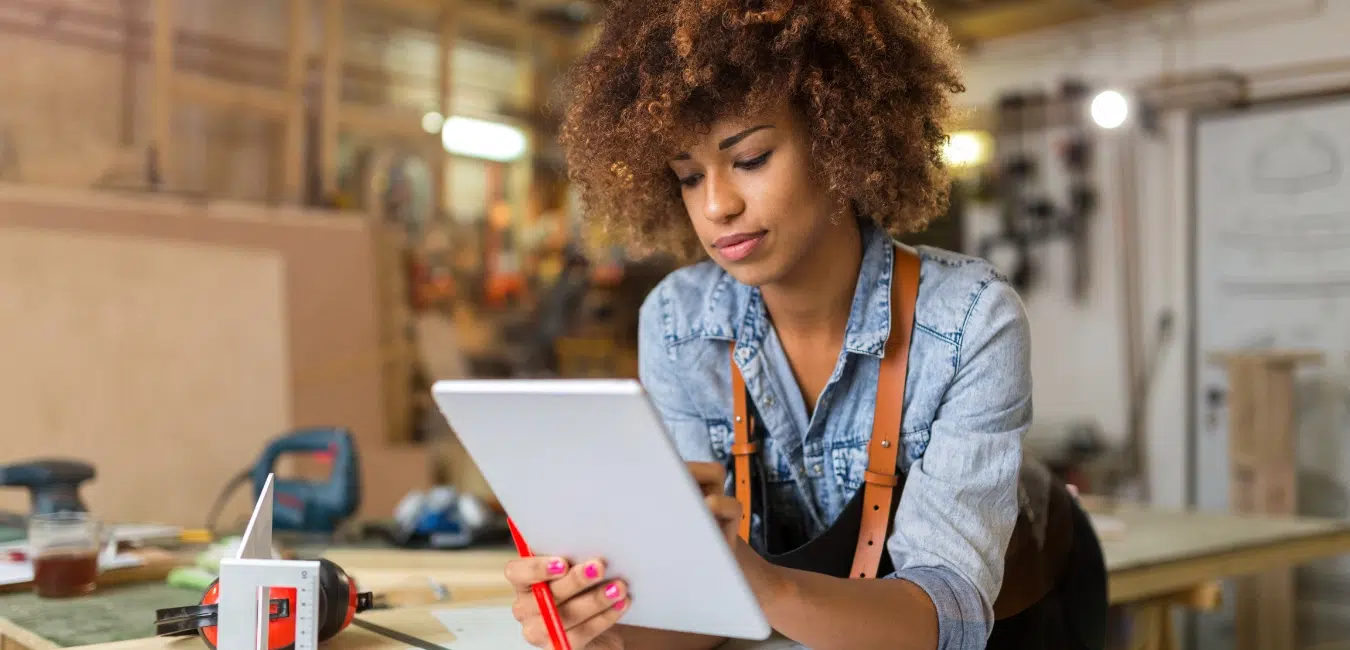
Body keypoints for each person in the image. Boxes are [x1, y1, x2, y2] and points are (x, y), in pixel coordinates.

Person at [503, 1, 1108, 649]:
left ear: (838, 137)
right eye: (686, 176)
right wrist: (602, 628)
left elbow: (948, 617)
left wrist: (751, 581)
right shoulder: (679, 322)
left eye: (752, 158)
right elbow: (703, 621)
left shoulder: (967, 319)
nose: (716, 206)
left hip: (1030, 611)